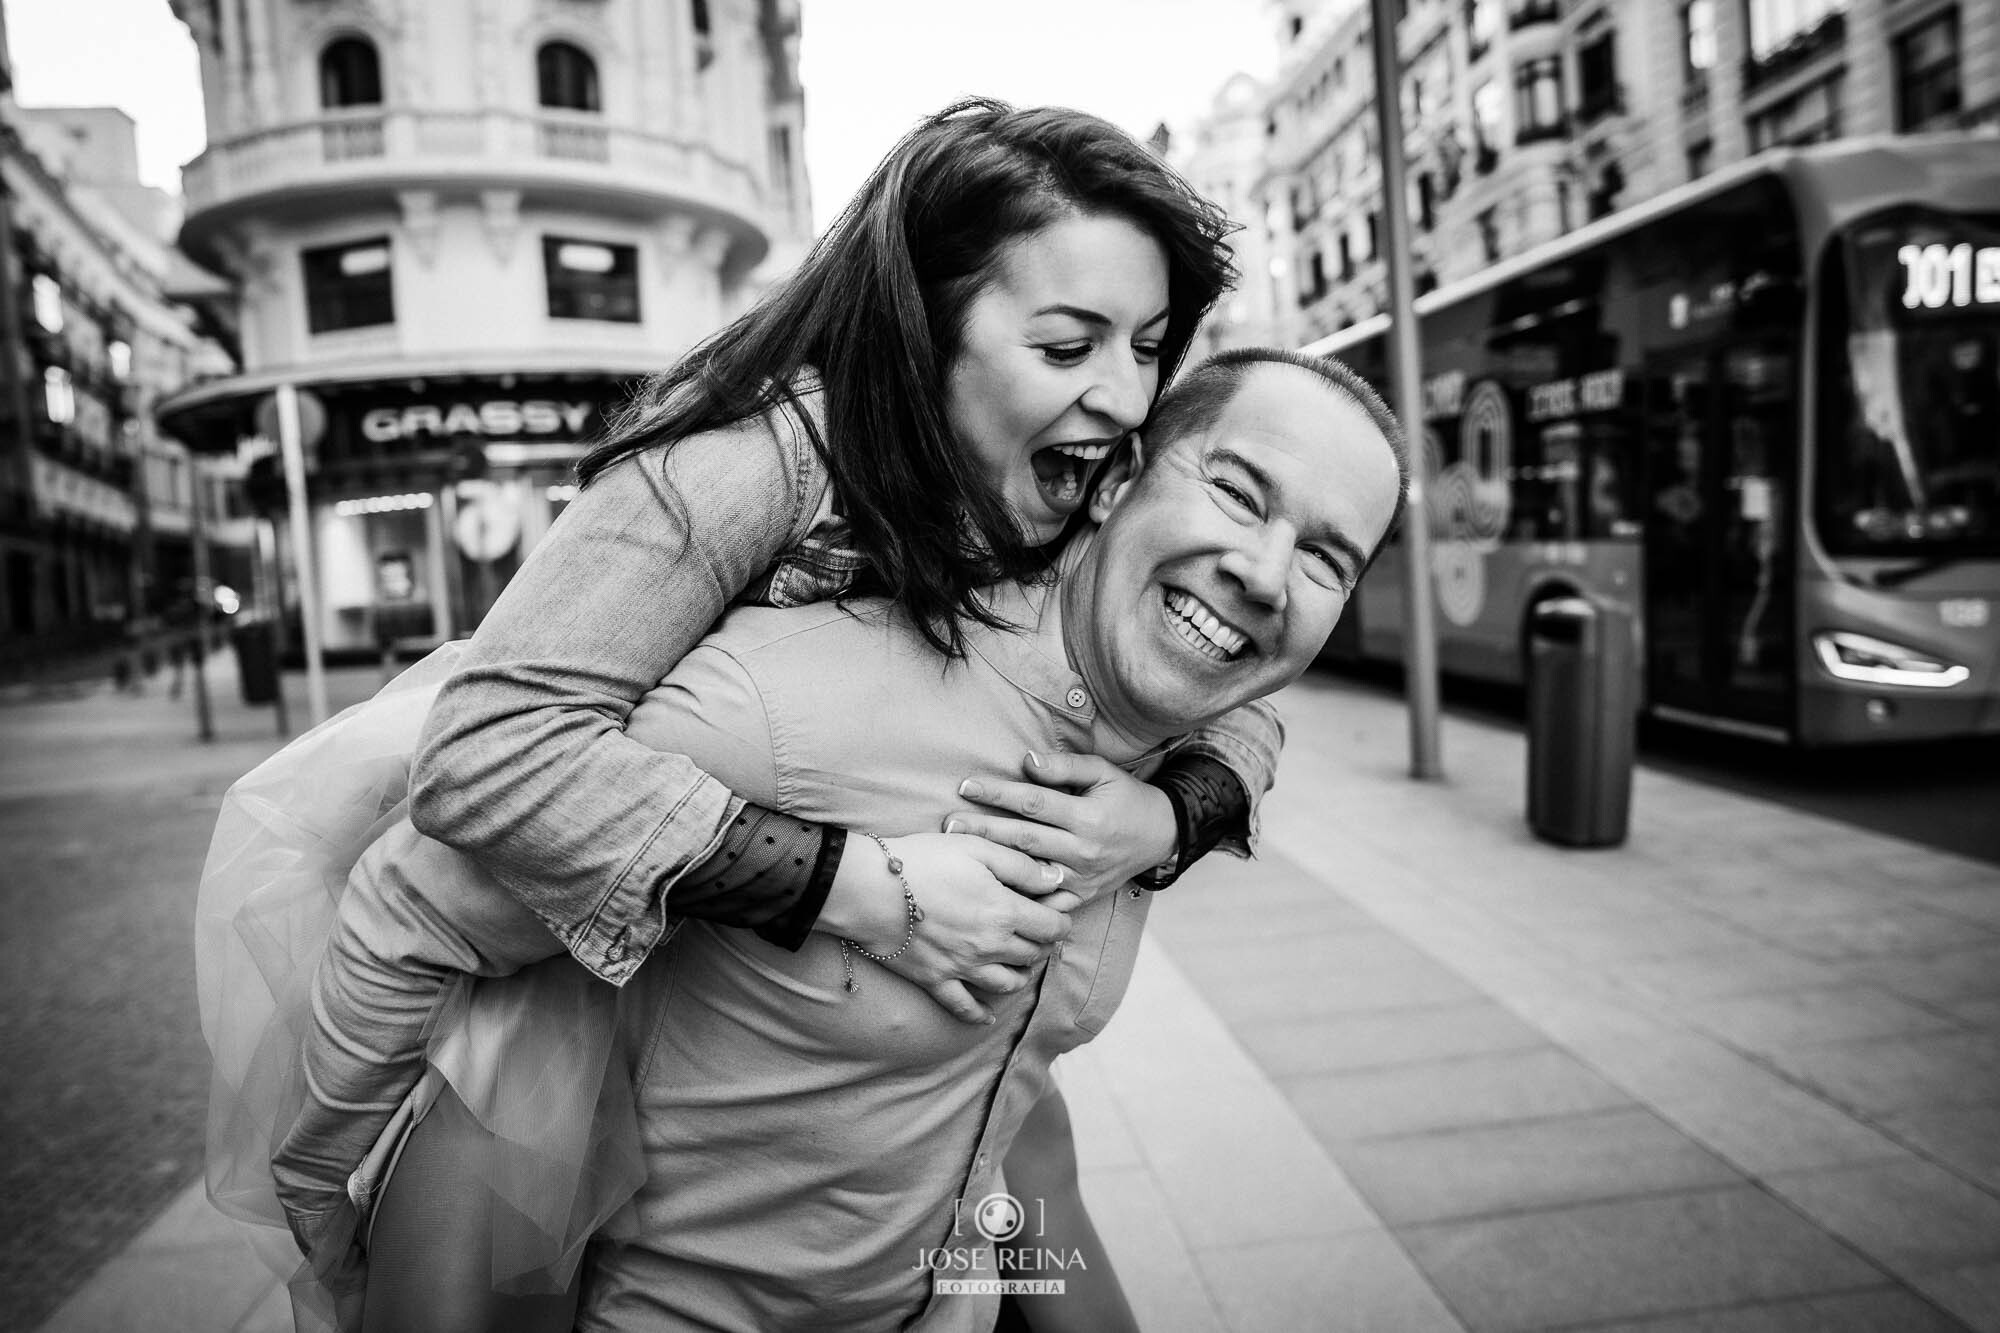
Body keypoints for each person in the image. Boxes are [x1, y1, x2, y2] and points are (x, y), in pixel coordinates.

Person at [197, 98, 1280, 1329]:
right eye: (1068, 344)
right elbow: (484, 758)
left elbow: (1239, 670)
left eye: (1147, 347)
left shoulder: (1054, 476)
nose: (1125, 396)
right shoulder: (755, 453)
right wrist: (871, 887)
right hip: (511, 951)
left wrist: (1162, 820)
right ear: (924, 326)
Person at [362, 347, 1409, 1332]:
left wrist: (1173, 818)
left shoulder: (1151, 756)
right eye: (1236, 492)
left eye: (1326, 558)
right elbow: (455, 968)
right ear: (1117, 480)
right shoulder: (787, 704)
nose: (1267, 574)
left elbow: (1006, 1132)